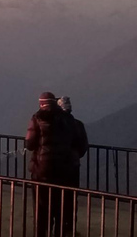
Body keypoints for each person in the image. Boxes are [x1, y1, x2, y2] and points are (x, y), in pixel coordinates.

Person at [25, 92, 78, 237]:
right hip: (64, 170)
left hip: (42, 170)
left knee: (41, 207)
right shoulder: (68, 119)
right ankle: (59, 233)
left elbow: (29, 144)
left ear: (41, 103)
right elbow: (77, 141)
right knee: (60, 206)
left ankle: (42, 233)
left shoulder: (37, 118)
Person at [58, 96, 89, 237]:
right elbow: (83, 147)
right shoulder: (78, 124)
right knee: (71, 197)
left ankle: (56, 227)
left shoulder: (56, 125)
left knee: (56, 197)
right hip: (73, 165)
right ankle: (68, 228)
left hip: (57, 166)